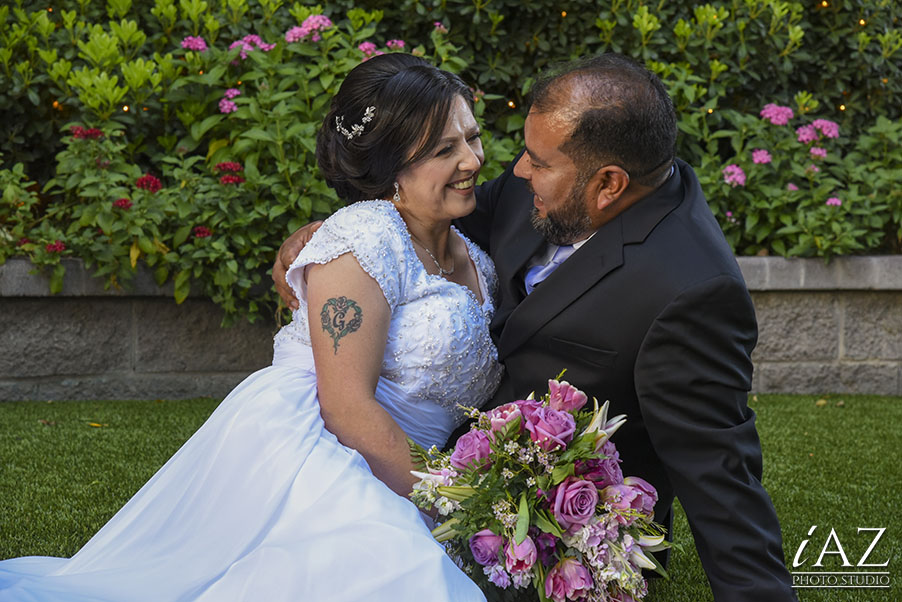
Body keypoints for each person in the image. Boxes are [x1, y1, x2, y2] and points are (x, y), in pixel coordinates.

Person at [274, 53, 797, 601]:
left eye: (538, 163)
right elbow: (413, 218)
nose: (514, 170)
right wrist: (330, 236)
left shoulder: (690, 288)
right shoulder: (550, 180)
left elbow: (719, 469)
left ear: (608, 184)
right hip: (422, 474)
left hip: (560, 527)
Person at [0, 53, 501, 601]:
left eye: (472, 138)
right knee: (397, 577)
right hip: (323, 450)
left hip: (407, 463)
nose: (473, 159)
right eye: (444, 150)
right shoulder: (364, 237)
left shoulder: (476, 256)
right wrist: (457, 498)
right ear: (390, 168)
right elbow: (346, 408)